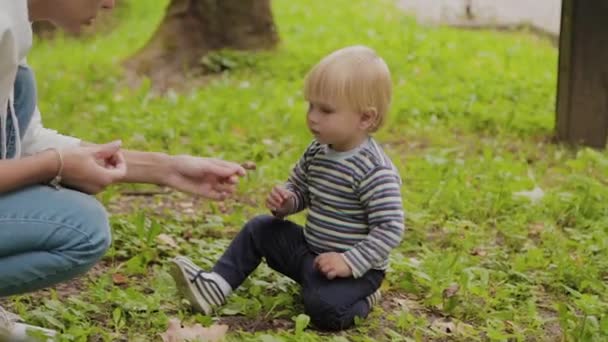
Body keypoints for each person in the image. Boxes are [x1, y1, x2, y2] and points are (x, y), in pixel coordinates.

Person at [0, 0, 246, 340]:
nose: (110, 3)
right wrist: (55, 165)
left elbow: (26, 139)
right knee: (79, 226)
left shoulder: (15, 27)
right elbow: (43, 156)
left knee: (21, 87)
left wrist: (167, 169)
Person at [170, 45, 405, 331]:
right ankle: (217, 285)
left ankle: (365, 298)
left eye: (326, 110)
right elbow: (302, 189)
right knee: (260, 228)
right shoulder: (318, 150)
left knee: (323, 308)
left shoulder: (374, 170)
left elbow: (390, 227)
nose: (313, 117)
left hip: (356, 271)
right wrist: (288, 201)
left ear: (365, 118)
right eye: (311, 106)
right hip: (311, 251)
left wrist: (349, 261)